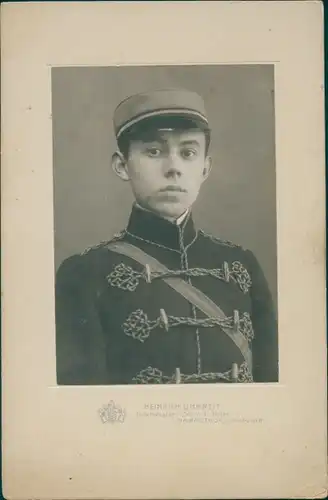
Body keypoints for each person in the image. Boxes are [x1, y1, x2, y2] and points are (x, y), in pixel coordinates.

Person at [55, 88, 278, 385]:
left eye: (188, 153)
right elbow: (83, 409)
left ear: (205, 168)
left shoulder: (243, 266)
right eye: (153, 152)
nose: (173, 168)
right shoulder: (84, 274)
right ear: (122, 166)